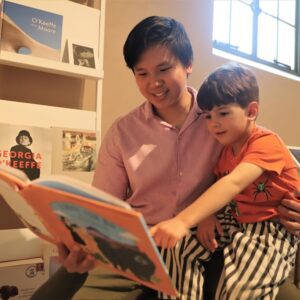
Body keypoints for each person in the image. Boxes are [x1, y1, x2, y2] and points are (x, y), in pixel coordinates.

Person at [31, 16, 300, 300]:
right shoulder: (123, 132)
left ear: (188, 64)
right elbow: (101, 210)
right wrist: (80, 242)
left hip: (212, 240)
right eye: (141, 73)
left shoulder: (224, 118)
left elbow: (274, 172)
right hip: (137, 246)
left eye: (164, 69)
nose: (154, 83)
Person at [150, 62, 300, 299]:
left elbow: (233, 183)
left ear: (251, 111)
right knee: (177, 248)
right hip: (233, 219)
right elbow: (217, 186)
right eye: (208, 116)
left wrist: (181, 220)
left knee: (239, 289)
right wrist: (207, 215)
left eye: (223, 113)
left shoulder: (266, 143)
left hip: (269, 227)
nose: (213, 123)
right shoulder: (226, 152)